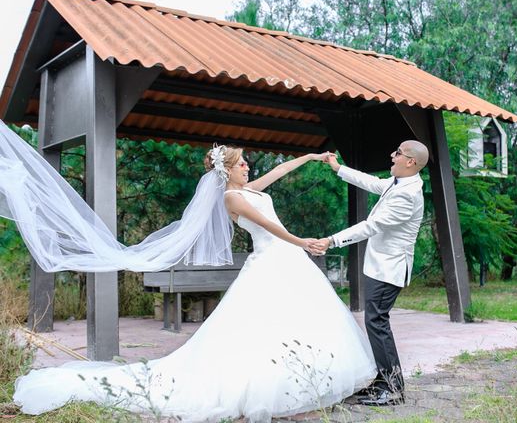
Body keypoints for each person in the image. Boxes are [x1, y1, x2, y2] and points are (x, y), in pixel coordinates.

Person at [9, 142, 377, 422]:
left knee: (296, 321)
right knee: (263, 326)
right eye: (242, 163)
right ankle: (269, 385)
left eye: (247, 162)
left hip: (286, 262)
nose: (248, 167)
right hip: (273, 259)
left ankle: (308, 379)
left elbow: (278, 173)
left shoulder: (250, 189)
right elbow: (269, 227)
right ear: (228, 172)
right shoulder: (233, 197)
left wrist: (309, 159)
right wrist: (303, 242)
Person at [310, 140, 429, 406]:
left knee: (377, 322)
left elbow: (370, 226)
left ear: (410, 161)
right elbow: (372, 183)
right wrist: (338, 168)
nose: (392, 154)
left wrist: (332, 240)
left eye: (397, 152)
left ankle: (393, 388)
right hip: (381, 265)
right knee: (376, 321)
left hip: (389, 268)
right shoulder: (400, 182)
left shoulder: (407, 195)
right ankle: (384, 381)